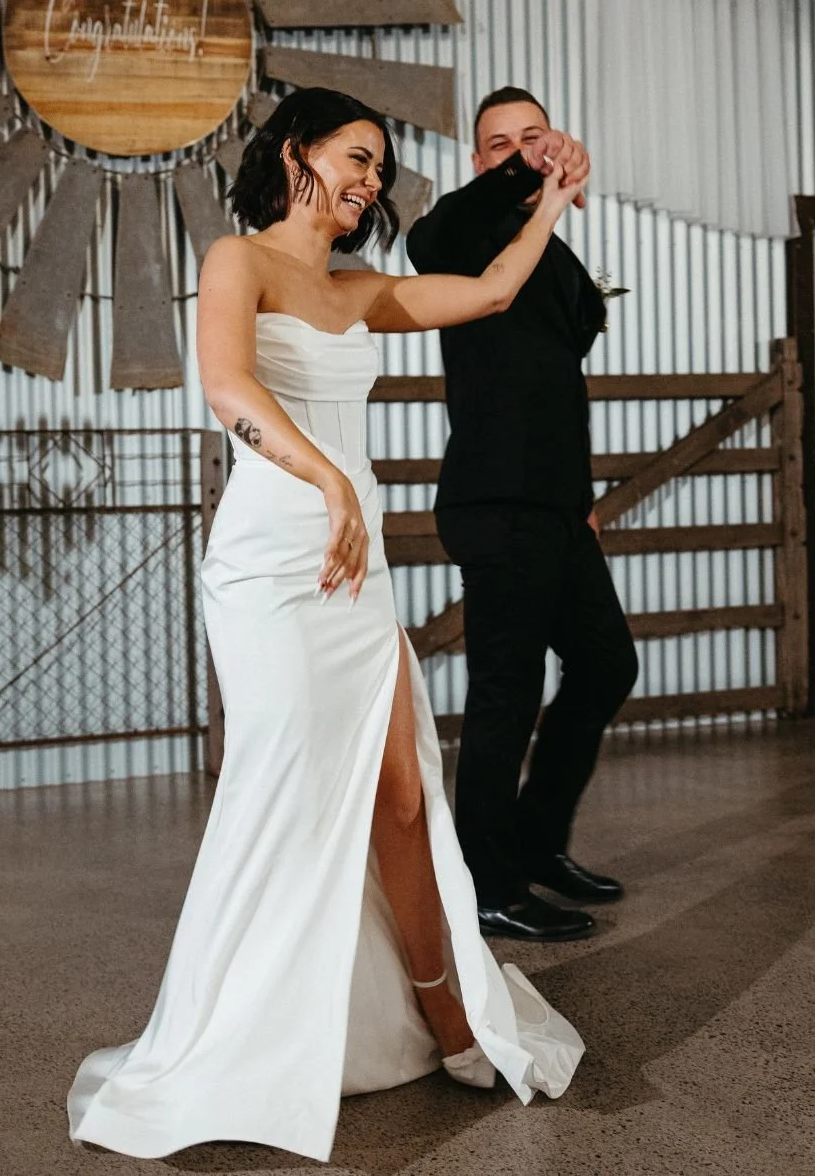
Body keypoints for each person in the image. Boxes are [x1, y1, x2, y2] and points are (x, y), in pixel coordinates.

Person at [66, 88, 587, 1164]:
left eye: (381, 169)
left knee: (403, 794)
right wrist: (328, 483)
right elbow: (226, 383)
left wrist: (555, 201)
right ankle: (241, 1038)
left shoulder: (358, 290)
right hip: (271, 564)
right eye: (356, 157)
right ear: (295, 153)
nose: (370, 182)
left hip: (358, 578)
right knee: (289, 793)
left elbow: (490, 293)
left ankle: (449, 1020)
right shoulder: (238, 262)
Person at [407, 87, 639, 944]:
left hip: (555, 511)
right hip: (494, 505)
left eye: (532, 137)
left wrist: (579, 505)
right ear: (478, 164)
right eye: (498, 145)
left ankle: (538, 844)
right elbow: (422, 239)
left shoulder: (557, 259)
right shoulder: (461, 238)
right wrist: (524, 176)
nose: (518, 153)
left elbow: (557, 371)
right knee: (506, 695)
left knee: (607, 665)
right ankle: (488, 884)